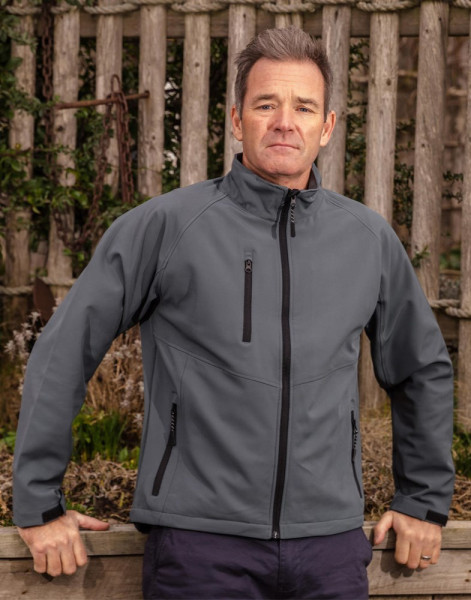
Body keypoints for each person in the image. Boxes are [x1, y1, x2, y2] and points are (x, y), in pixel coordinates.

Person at [13, 27, 454, 599]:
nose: (284, 122)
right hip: (199, 549)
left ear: (327, 127)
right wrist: (39, 503)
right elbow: (64, 351)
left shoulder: (367, 240)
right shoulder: (166, 227)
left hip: (329, 549)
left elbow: (421, 369)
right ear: (236, 119)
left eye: (304, 107)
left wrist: (421, 500)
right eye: (266, 104)